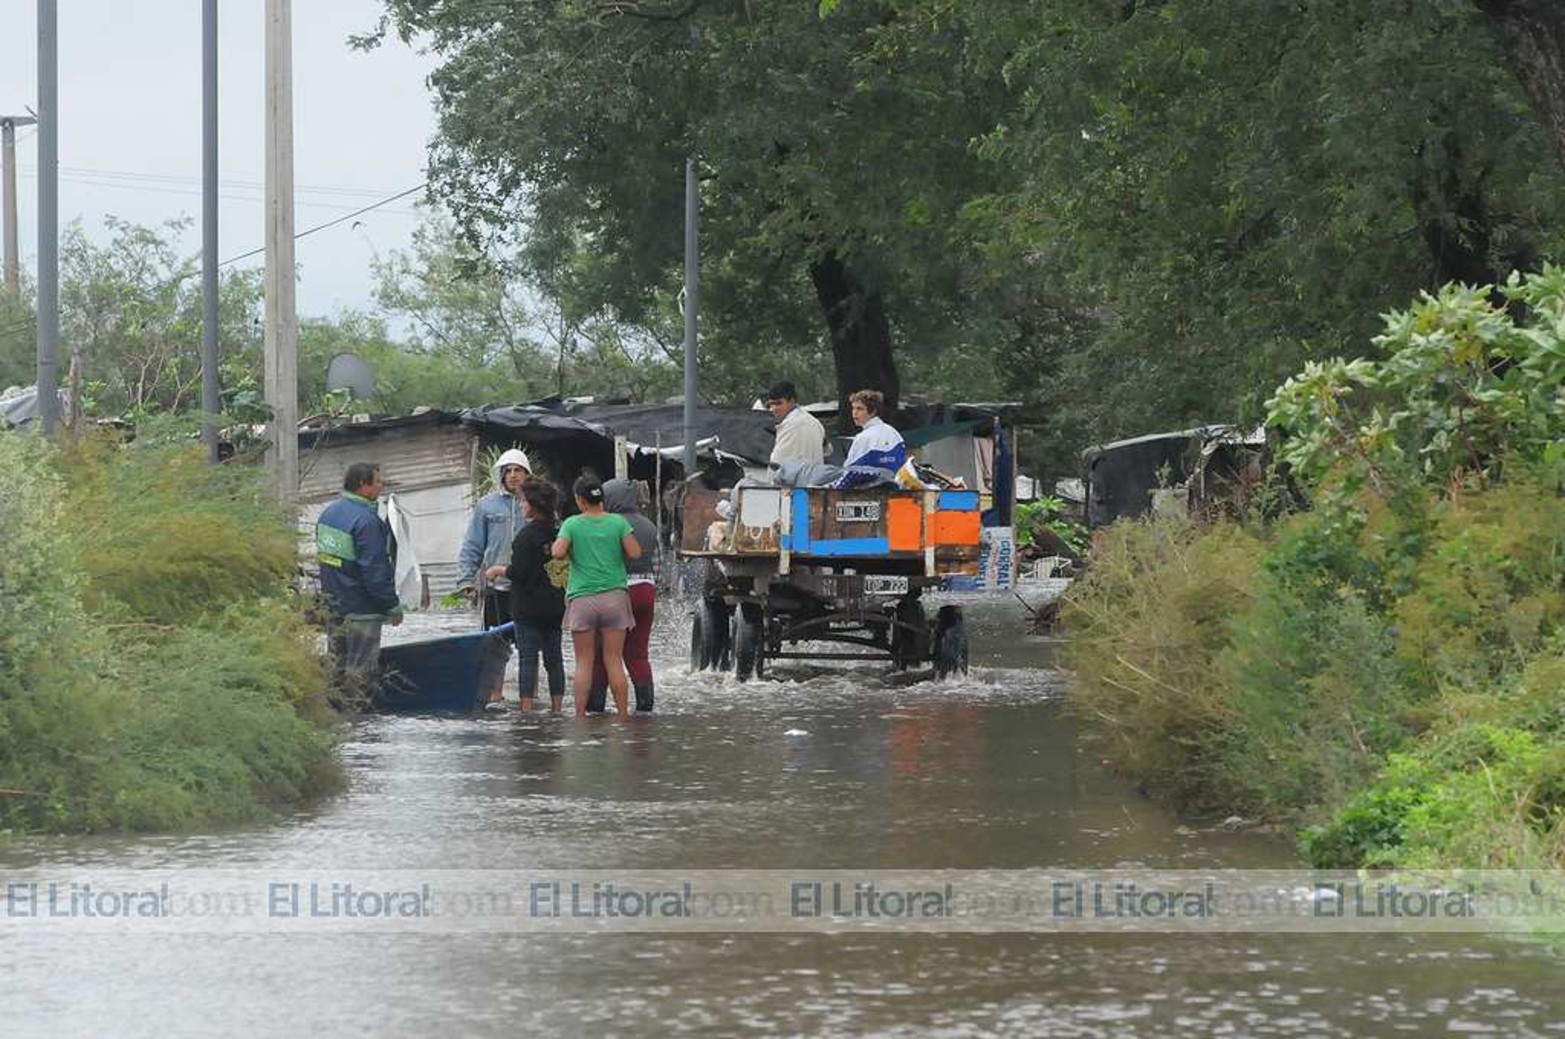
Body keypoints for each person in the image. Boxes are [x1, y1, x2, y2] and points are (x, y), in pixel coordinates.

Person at [553, 475, 642, 717]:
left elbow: (558, 552)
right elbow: (635, 552)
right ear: (601, 498)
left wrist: (570, 546)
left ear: (580, 500)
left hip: (583, 599)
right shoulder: (618, 523)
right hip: (614, 597)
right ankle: (623, 715)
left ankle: (580, 716)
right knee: (614, 660)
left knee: (584, 662)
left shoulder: (572, 524)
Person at [315, 462, 403, 695]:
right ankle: (362, 724)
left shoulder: (328, 514)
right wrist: (392, 605)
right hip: (362, 609)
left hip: (334, 607)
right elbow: (375, 570)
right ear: (363, 485)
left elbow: (327, 561)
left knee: (336, 668)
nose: (381, 486)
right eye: (378, 482)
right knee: (361, 674)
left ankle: (337, 718)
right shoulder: (366, 522)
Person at [457, 447, 531, 701]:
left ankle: (527, 696)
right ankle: (495, 694)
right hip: (495, 587)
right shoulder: (486, 506)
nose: (512, 475)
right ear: (500, 475)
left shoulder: (536, 504)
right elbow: (473, 545)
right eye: (507, 471)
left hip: (528, 588)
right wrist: (467, 580)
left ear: (527, 474)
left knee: (529, 645)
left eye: (518, 470)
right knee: (494, 644)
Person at [485, 479, 566, 712]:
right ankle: (557, 708)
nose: (520, 505)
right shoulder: (558, 534)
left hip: (528, 609)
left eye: (522, 501)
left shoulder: (525, 537)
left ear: (532, 505)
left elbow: (518, 572)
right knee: (555, 660)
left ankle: (526, 709)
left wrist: (498, 570)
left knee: (528, 659)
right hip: (554, 607)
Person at [586, 479, 659, 713]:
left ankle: (596, 708)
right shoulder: (649, 526)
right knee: (637, 653)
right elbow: (658, 565)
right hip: (646, 590)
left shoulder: (607, 524)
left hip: (616, 593)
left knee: (602, 654)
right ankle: (645, 708)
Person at [833, 388, 906, 488]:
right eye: (853, 408)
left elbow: (849, 472)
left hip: (866, 494)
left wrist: (835, 488)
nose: (854, 413)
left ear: (873, 411)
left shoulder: (863, 438)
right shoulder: (895, 433)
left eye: (860, 409)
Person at [765, 380, 827, 466]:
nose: (774, 408)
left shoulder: (790, 425)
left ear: (792, 401)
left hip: (796, 478)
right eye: (771, 404)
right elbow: (827, 451)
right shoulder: (815, 422)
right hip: (817, 477)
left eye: (778, 403)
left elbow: (776, 464)